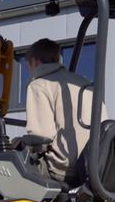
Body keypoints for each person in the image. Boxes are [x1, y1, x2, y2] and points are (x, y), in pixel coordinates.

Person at [24, 38, 107, 184]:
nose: (27, 71)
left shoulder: (39, 85)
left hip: (64, 169)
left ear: (35, 62)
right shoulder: (84, 83)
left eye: (27, 66)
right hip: (94, 166)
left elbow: (41, 136)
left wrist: (19, 143)